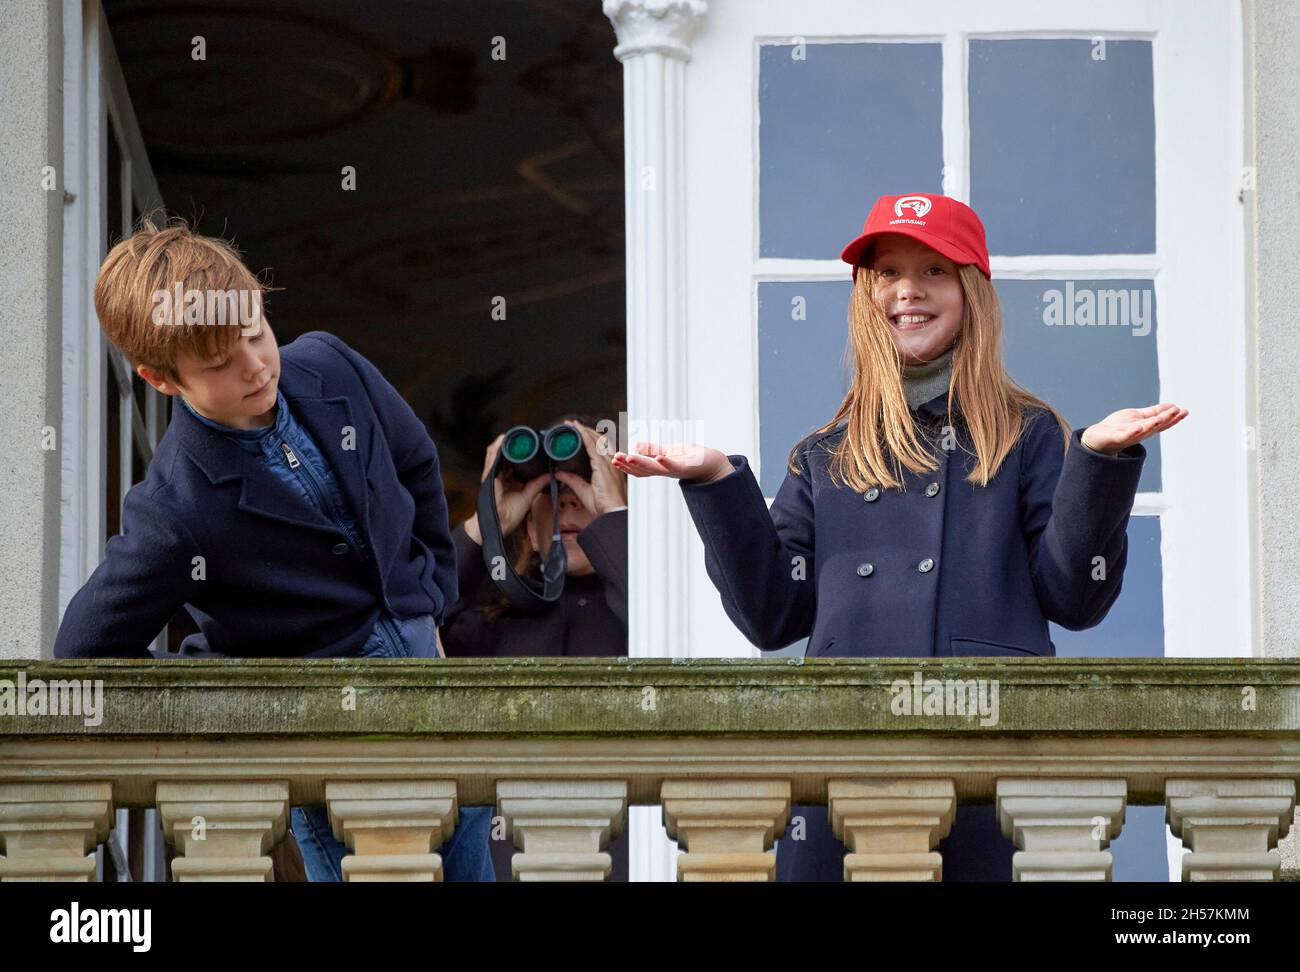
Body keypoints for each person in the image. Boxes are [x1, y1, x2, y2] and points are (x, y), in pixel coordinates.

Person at [611, 193, 1187, 881]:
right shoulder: (825, 451)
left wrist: (1098, 460)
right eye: (888, 273)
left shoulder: (1028, 433)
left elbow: (1073, 598)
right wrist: (714, 481)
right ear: (866, 295)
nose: (908, 291)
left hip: (992, 768)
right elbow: (773, 615)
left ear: (971, 291)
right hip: (845, 774)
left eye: (934, 270)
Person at [52, 216, 492, 881]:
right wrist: (225, 685)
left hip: (438, 691)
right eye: (221, 364)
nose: (257, 367)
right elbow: (84, 650)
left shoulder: (331, 360)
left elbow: (415, 461)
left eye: (256, 332)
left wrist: (427, 598)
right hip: (331, 750)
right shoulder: (174, 509)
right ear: (162, 379)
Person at [441, 414, 630, 878]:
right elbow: (412, 624)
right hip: (506, 859)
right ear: (528, 526)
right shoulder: (491, 626)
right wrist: (483, 526)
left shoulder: (649, 611)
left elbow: (665, 637)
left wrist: (616, 517)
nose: (567, 503)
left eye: (583, 486)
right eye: (548, 493)